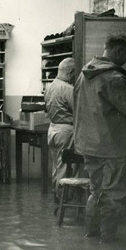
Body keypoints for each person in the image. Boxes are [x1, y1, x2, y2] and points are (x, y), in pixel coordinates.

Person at [74, 34, 126, 242]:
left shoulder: (84, 75)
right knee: (114, 196)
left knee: (96, 191)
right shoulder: (114, 79)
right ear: (118, 51)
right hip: (113, 147)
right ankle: (107, 241)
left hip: (89, 145)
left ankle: (91, 236)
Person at [44, 57, 77, 201]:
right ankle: (63, 196)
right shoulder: (68, 89)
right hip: (65, 130)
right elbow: (78, 111)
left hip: (52, 129)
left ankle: (56, 192)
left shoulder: (50, 87)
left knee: (56, 165)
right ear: (70, 72)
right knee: (64, 165)